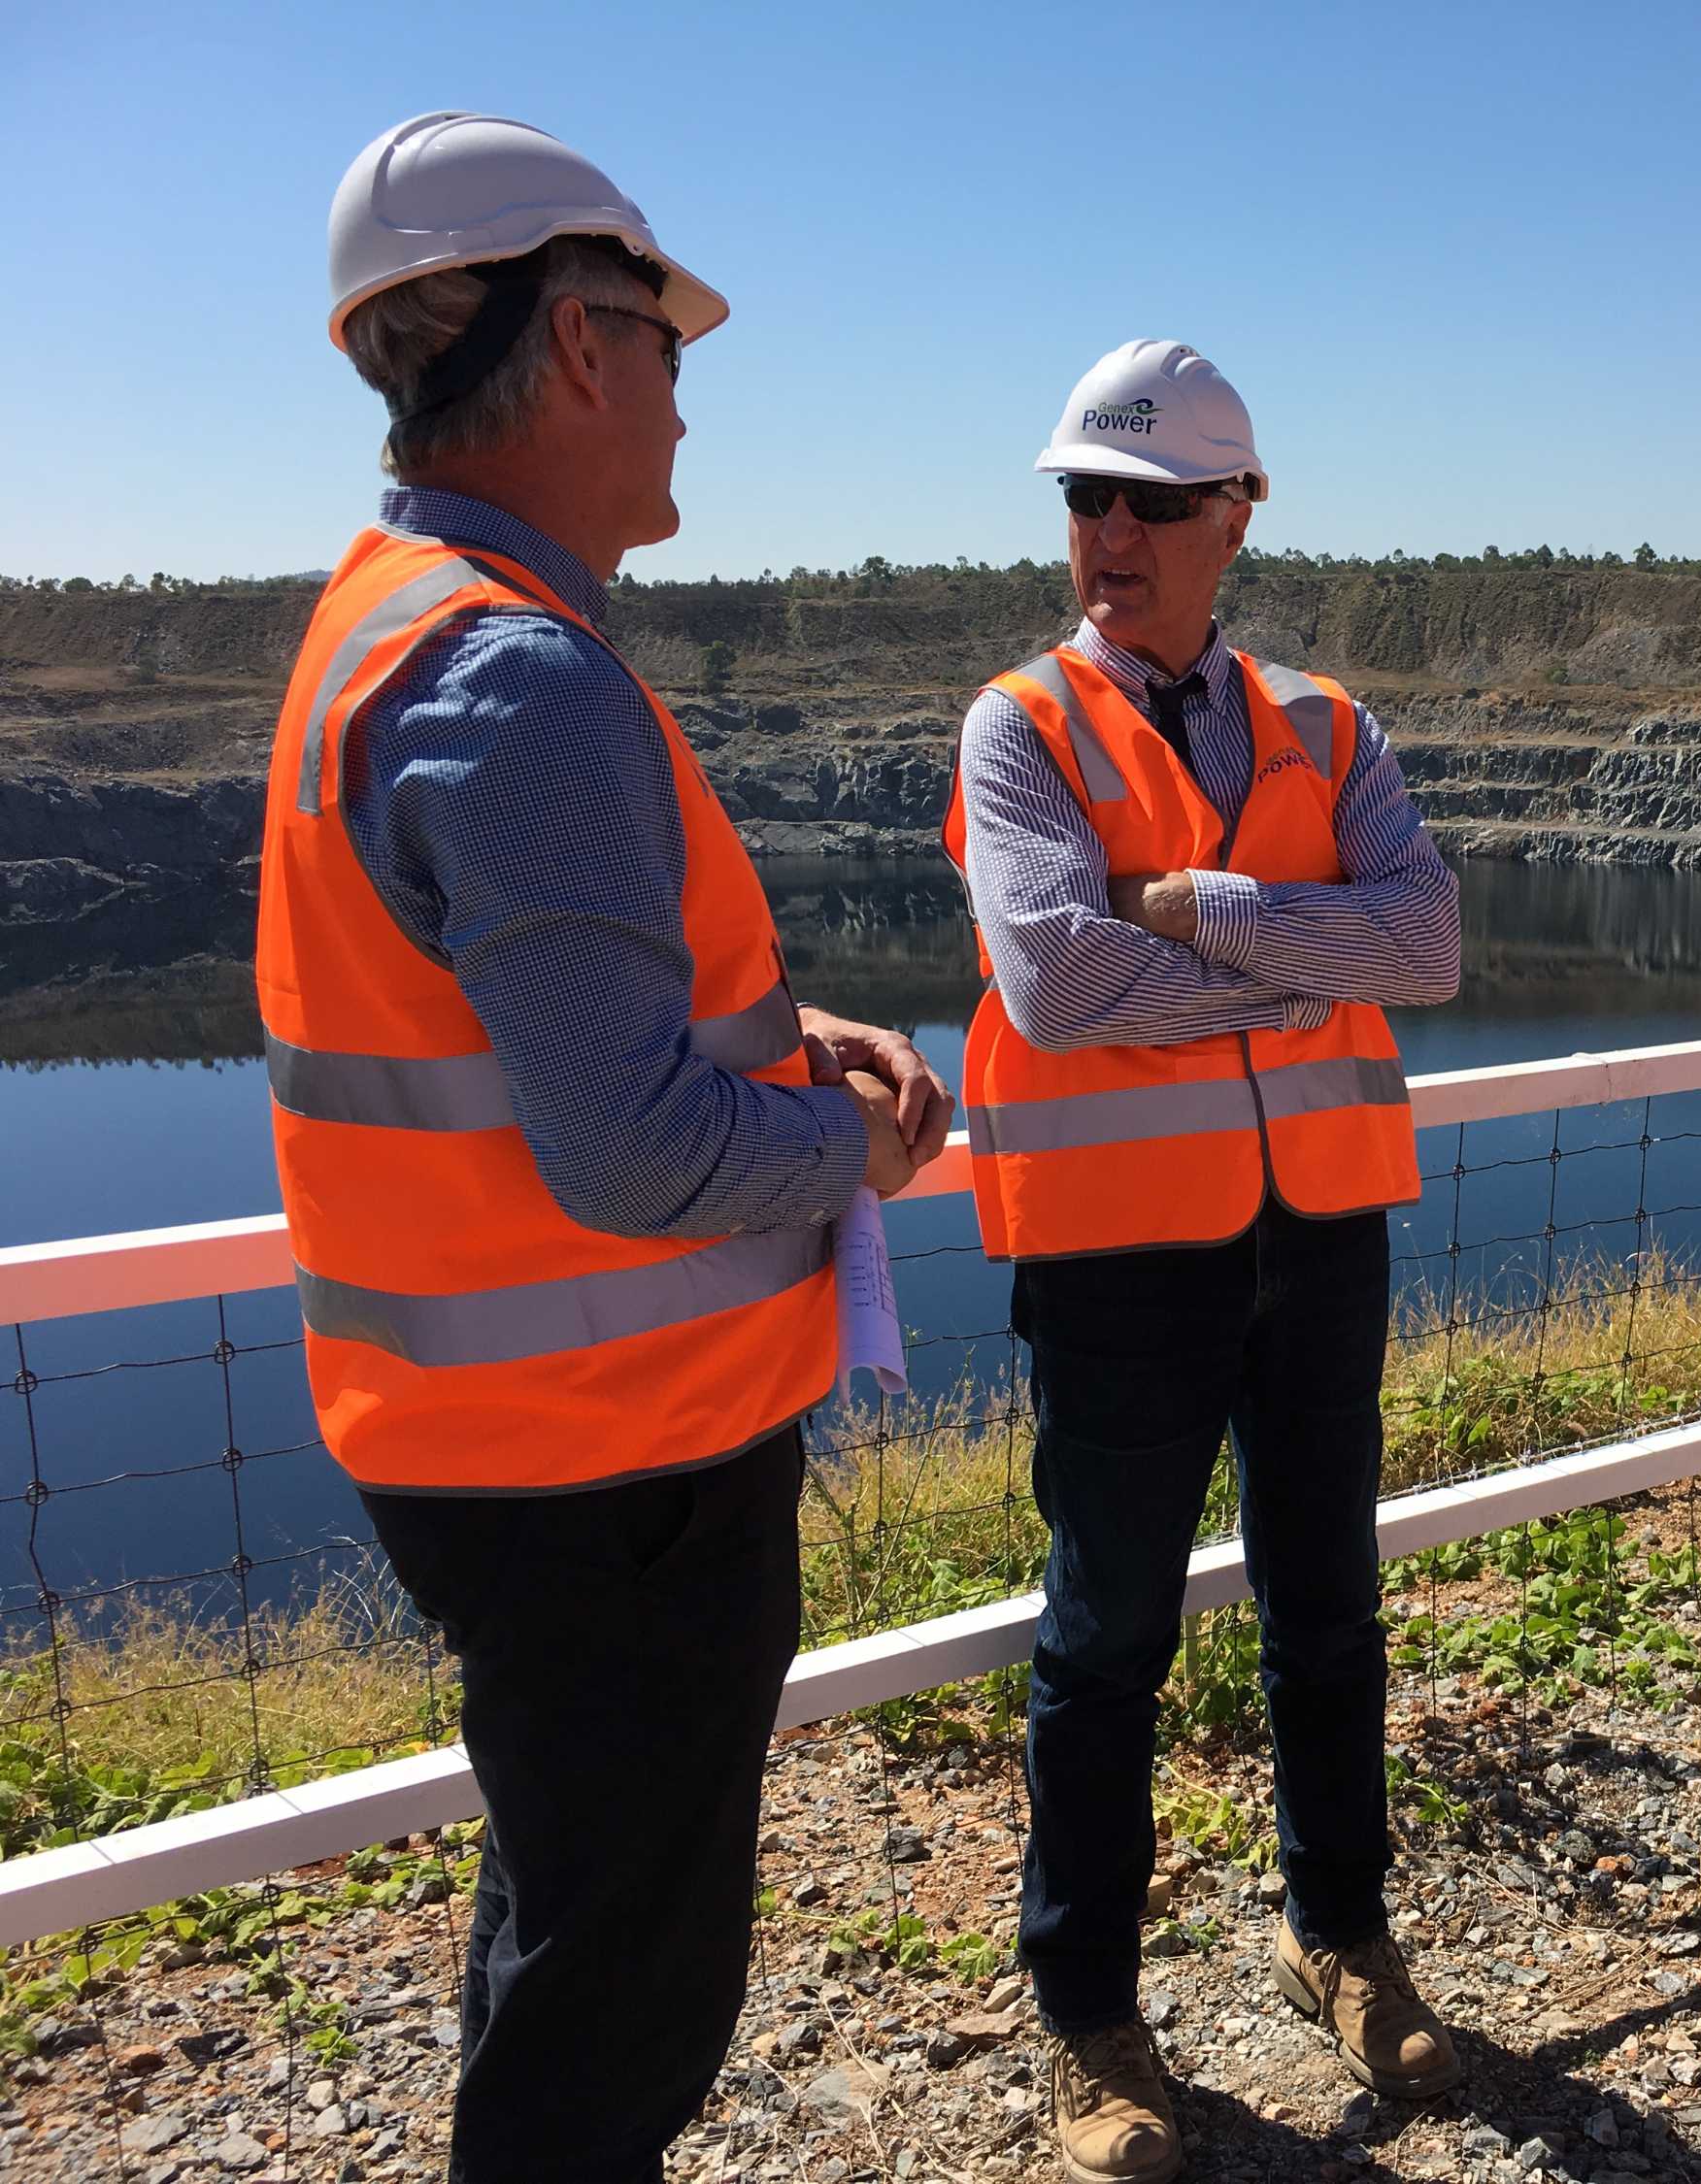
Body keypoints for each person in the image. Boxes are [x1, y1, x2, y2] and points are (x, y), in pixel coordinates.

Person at [256, 113, 951, 2182]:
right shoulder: (515, 674)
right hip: (608, 1461)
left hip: (500, 1447)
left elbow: (541, 1027)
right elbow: (636, 1156)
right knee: (623, 2000)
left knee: (563, 1915)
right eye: (662, 343)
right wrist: (852, 1145)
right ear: (574, 346)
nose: (678, 394)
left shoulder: (389, 624)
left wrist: (781, 1041)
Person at [944, 340, 1464, 2184]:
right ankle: (1090, 2018)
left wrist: (1217, 911)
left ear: (1239, 513)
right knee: (1107, 1642)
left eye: (1157, 502)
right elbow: (1059, 984)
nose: (1113, 534)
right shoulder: (1022, 727)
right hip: (1119, 1263)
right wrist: (1308, 956)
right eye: (1086, 496)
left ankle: (1346, 1937)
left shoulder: (1325, 721)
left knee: (1330, 1606)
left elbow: (1434, 946)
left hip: (1318, 1235)